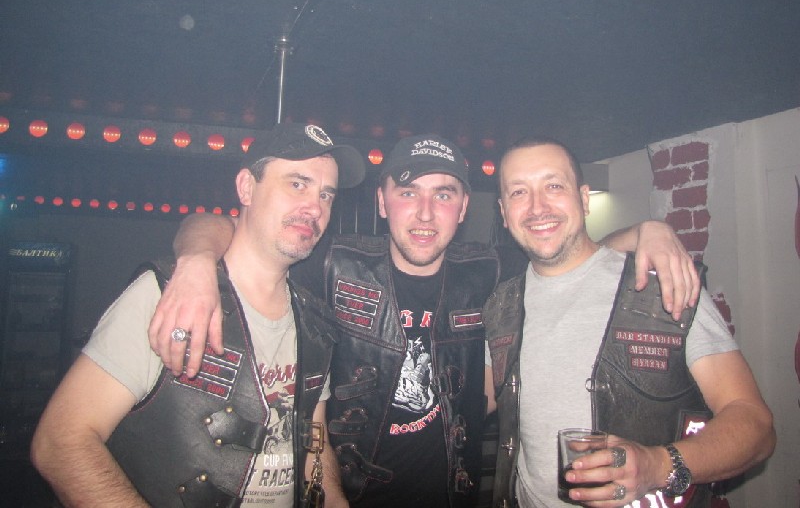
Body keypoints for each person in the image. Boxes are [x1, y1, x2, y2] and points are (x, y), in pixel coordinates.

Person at [149, 133, 701, 508]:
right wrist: (196, 260)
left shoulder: (486, 270)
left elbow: (572, 254)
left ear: (464, 208)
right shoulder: (334, 264)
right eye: (408, 192)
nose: (424, 213)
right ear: (382, 201)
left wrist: (646, 231)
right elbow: (228, 226)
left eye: (443, 194)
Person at [30, 123, 367, 507]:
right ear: (246, 188)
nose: (315, 207)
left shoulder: (314, 323)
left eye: (326, 194)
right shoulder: (170, 296)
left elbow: (313, 447)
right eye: (297, 184)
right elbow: (60, 442)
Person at [484, 136, 775, 507]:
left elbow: (755, 425)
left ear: (584, 198)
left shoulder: (663, 285)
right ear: (504, 213)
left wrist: (657, 465)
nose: (537, 207)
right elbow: (471, 401)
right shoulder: (500, 306)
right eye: (519, 192)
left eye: (554, 186)